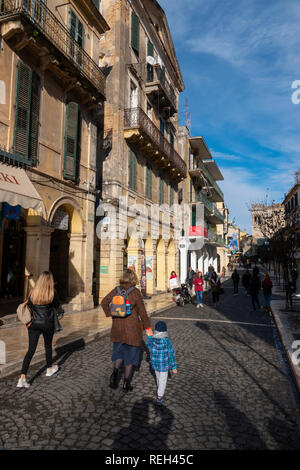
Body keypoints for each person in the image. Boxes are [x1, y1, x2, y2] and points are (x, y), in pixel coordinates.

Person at [101, 269, 153, 393]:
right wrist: (148, 328)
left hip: (117, 328)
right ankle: (126, 383)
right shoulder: (135, 292)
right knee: (130, 358)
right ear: (133, 279)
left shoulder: (116, 290)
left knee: (118, 353)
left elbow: (104, 302)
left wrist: (111, 314)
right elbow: (142, 312)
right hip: (132, 330)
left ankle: (114, 376)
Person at [17, 271, 61, 389]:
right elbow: (57, 306)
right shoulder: (53, 292)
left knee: (31, 350)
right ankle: (49, 369)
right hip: (48, 324)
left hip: (34, 324)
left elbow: (29, 306)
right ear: (50, 281)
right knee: (47, 346)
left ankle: (22, 378)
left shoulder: (33, 292)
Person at [146, 321, 177, 406]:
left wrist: (149, 336)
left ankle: (159, 390)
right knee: (162, 380)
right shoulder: (167, 342)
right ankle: (160, 396)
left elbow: (148, 345)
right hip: (164, 365)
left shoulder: (153, 340)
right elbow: (171, 355)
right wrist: (174, 367)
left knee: (158, 377)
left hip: (155, 364)